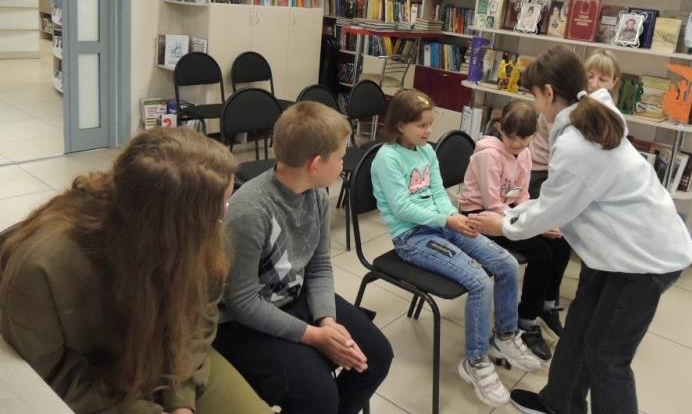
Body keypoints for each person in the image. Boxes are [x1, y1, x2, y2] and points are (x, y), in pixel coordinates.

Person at [470, 46, 692, 414]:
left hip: (643, 259)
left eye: (534, 95)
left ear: (548, 93)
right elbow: (556, 200)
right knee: (580, 327)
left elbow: (552, 208)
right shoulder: (589, 114)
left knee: (606, 357)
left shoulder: (577, 143)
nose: (535, 105)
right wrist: (514, 215)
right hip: (617, 249)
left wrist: (504, 223)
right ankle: (559, 403)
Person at [0, 127, 268, 414]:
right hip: (94, 384)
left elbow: (198, 320)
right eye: (220, 206)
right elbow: (50, 374)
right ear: (173, 228)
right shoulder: (43, 266)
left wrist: (181, 399)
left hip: (175, 360)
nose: (225, 213)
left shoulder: (202, 235)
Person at [214, 101, 393, 414]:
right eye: (339, 157)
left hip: (293, 296)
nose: (343, 164)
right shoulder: (250, 212)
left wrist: (327, 320)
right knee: (318, 396)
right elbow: (241, 303)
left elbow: (319, 265)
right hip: (244, 323)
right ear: (315, 164)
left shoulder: (317, 195)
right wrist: (313, 336)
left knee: (376, 357)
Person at [371, 89, 539, 408]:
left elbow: (437, 192)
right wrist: (446, 220)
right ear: (400, 125)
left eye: (430, 124)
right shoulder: (387, 158)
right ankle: (475, 360)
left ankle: (504, 336)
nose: (429, 131)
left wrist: (453, 217)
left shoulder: (426, 151)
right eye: (422, 125)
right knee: (479, 281)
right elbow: (403, 208)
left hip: (443, 223)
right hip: (412, 237)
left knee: (505, 263)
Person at [458, 100, 563, 362]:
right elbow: (492, 204)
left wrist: (534, 220)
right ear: (501, 129)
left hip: (506, 212)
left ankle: (543, 307)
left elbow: (522, 195)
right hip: (479, 217)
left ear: (533, 136)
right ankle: (526, 321)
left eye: (523, 138)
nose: (516, 144)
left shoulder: (525, 154)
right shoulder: (488, 155)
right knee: (542, 254)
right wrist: (529, 226)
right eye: (510, 137)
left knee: (559, 243)